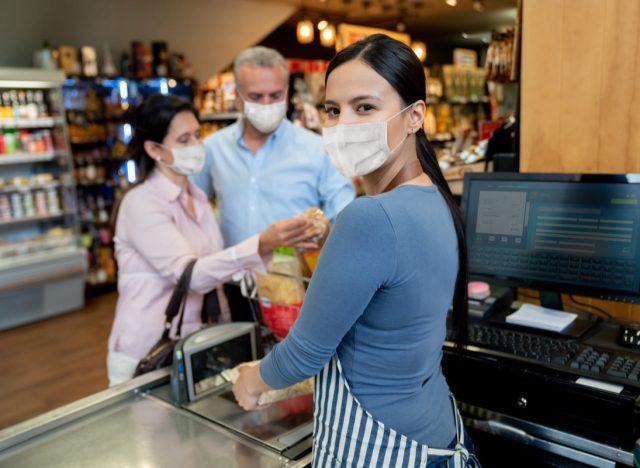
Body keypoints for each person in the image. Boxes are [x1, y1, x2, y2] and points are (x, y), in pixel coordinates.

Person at [232, 35, 480, 467]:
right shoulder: (436, 199)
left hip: (381, 447)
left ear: (414, 116)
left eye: (364, 107)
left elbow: (305, 353)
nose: (344, 123)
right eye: (333, 109)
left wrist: (252, 381)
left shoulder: (369, 217)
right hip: (437, 433)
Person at [107, 94, 320, 387]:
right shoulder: (141, 203)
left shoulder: (197, 198)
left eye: (197, 135)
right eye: (183, 140)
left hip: (196, 345)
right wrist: (262, 243)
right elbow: (191, 275)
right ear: (154, 149)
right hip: (149, 351)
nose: (196, 145)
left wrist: (285, 250)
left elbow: (218, 266)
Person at [192, 46, 355, 320]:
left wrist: (323, 231)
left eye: (275, 95)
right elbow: (192, 208)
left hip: (295, 290)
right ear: (238, 97)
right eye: (256, 96)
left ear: (287, 91)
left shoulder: (317, 148)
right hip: (235, 287)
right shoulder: (212, 149)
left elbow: (346, 215)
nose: (267, 104)